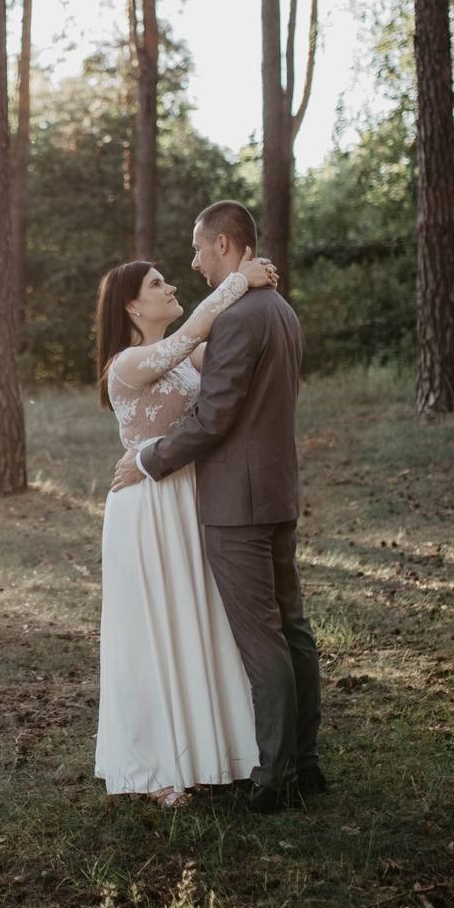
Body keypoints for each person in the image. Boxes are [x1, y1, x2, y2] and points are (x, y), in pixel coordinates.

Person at [114, 200, 322, 814]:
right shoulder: (278, 309)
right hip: (277, 490)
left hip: (239, 501)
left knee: (263, 640)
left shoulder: (236, 319)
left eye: (201, 249)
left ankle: (276, 775)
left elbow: (214, 416)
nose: (194, 261)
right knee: (293, 629)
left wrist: (150, 459)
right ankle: (304, 763)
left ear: (226, 245)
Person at [94, 247, 276, 806]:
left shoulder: (182, 359)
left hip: (191, 495)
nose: (170, 287)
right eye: (158, 284)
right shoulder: (126, 363)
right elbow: (198, 326)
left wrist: (256, 296)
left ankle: (213, 751)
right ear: (131, 305)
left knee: (199, 617)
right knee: (156, 626)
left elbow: (214, 348)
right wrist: (236, 281)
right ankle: (160, 764)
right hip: (146, 504)